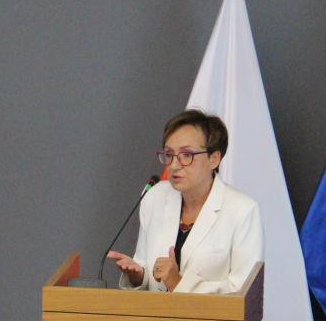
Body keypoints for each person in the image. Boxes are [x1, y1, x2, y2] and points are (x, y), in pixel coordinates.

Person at [108, 109, 262, 294]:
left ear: (214, 159)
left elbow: (244, 292)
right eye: (169, 154)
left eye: (186, 155)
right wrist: (139, 276)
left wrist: (179, 283)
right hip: (154, 320)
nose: (173, 165)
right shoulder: (154, 197)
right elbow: (149, 272)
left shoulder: (242, 210)